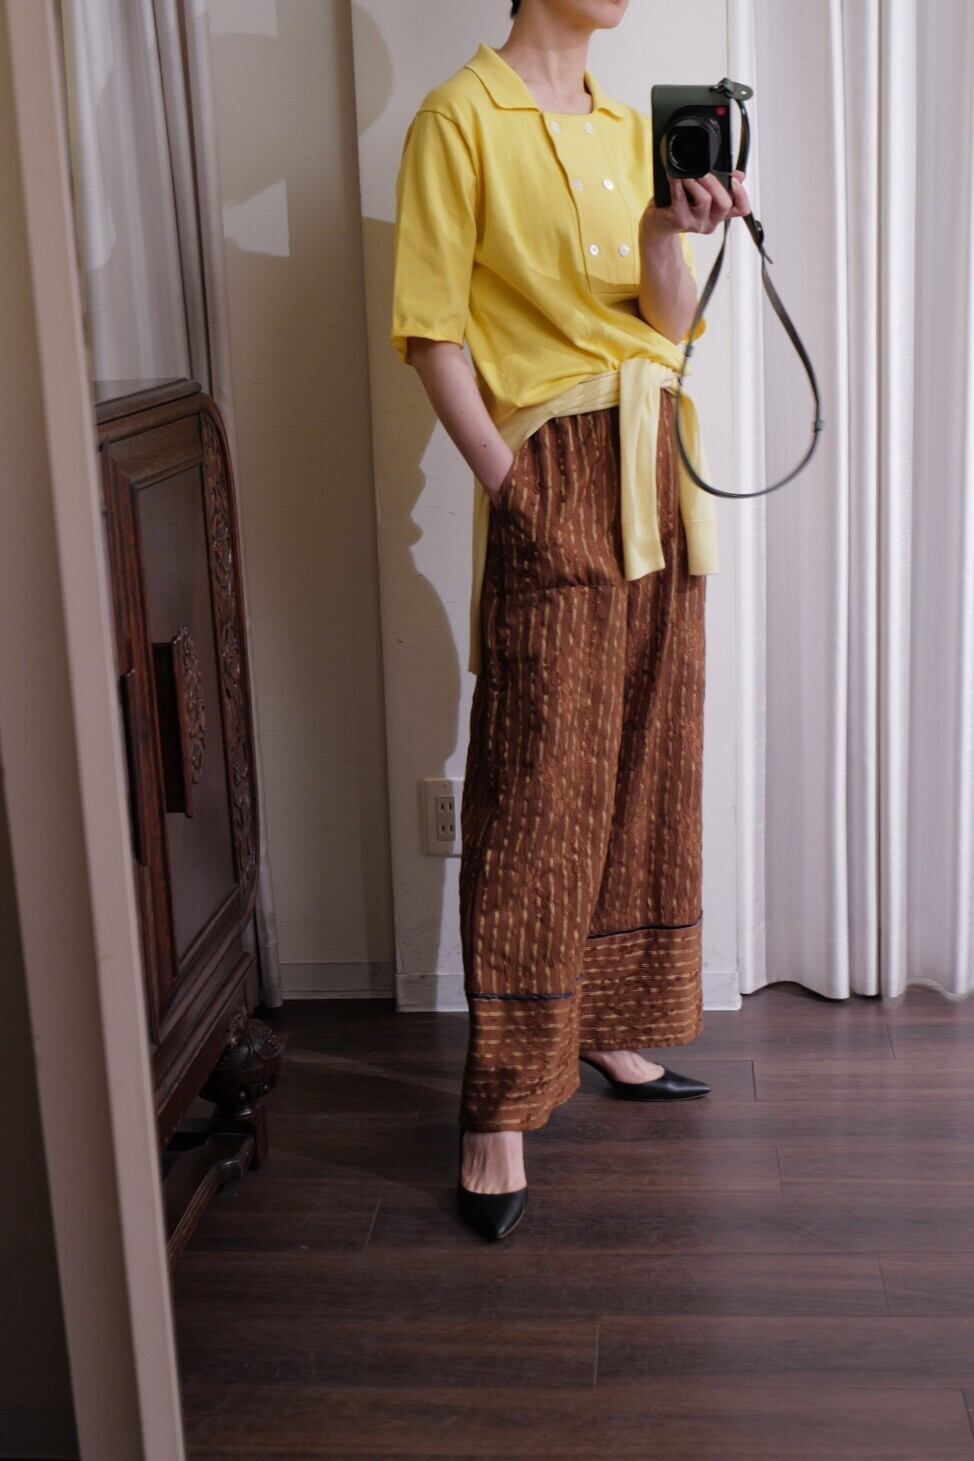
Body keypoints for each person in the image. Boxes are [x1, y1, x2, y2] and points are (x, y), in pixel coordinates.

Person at [390, 0, 751, 1239]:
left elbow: (666, 327)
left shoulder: (625, 127)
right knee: (538, 784)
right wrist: (512, 484)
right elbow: (432, 332)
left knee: (646, 758)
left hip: (656, 464)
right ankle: (498, 1107)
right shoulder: (457, 118)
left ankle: (610, 1026)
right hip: (551, 463)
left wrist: (664, 231)